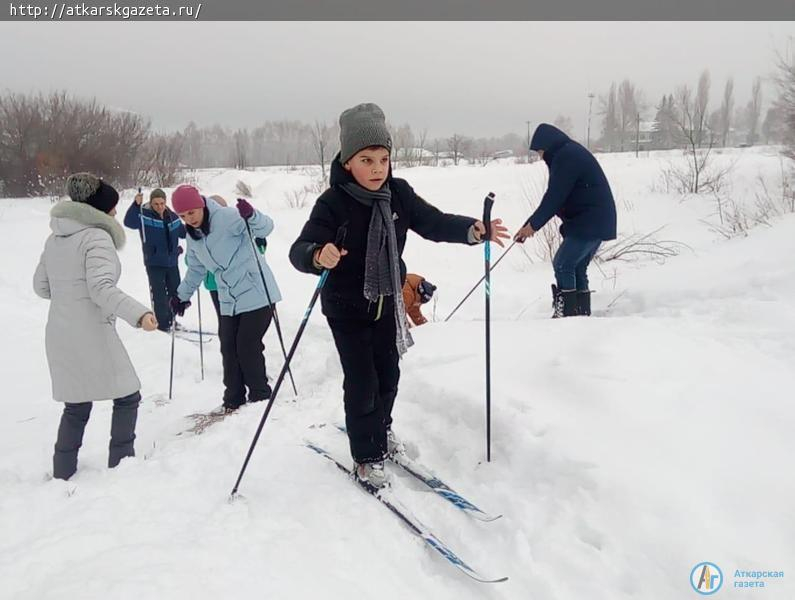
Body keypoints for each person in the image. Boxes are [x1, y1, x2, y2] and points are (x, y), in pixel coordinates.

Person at [289, 103, 509, 488]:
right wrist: (317, 254)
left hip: (388, 304)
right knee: (363, 383)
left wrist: (472, 230)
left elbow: (433, 222)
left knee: (388, 376)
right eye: (367, 160)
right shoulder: (333, 203)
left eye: (384, 159)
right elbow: (299, 249)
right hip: (347, 308)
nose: (377, 168)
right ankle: (366, 455)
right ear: (347, 162)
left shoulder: (398, 194)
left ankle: (381, 429)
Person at [33, 173, 159, 481]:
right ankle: (122, 466)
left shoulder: (54, 238)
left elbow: (41, 287)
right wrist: (140, 314)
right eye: (112, 206)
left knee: (76, 404)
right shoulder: (96, 237)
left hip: (60, 331)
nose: (116, 212)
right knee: (127, 395)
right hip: (91, 331)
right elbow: (101, 289)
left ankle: (63, 472)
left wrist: (68, 296)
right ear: (100, 209)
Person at [169, 186, 280, 413]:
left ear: (201, 205)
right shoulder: (193, 236)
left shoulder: (228, 217)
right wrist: (181, 296)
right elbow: (196, 269)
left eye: (192, 212)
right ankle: (233, 398)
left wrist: (252, 215)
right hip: (229, 298)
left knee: (247, 345)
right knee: (228, 347)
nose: (189, 219)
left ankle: (260, 396)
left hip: (257, 293)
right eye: (182, 215)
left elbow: (266, 228)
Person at [514, 123, 617, 318]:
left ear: (547, 146)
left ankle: (567, 316)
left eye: (541, 152)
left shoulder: (566, 157)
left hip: (590, 221)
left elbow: (555, 197)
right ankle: (581, 315)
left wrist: (532, 225)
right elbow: (558, 197)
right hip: (596, 220)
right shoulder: (570, 152)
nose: (541, 157)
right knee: (576, 267)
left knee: (563, 264)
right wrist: (529, 225)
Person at [123, 187, 186, 332]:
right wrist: (136, 205)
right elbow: (129, 222)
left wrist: (198, 229)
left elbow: (183, 232)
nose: (159, 207)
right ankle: (163, 324)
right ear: (151, 203)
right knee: (159, 295)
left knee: (175, 292)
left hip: (171, 262)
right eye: (156, 204)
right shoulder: (144, 216)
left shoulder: (172, 216)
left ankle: (172, 320)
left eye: (162, 203)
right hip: (154, 262)